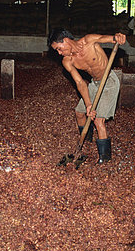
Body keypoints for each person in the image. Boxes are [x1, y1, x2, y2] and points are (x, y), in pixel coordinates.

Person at [48, 29, 126, 164]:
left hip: (109, 82)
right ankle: (86, 141)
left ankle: (105, 159)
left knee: (98, 120)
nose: (59, 53)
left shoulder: (89, 41)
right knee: (79, 112)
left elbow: (108, 38)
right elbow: (80, 83)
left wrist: (118, 37)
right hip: (94, 84)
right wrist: (89, 104)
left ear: (66, 41)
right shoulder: (67, 61)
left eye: (59, 49)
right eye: (57, 51)